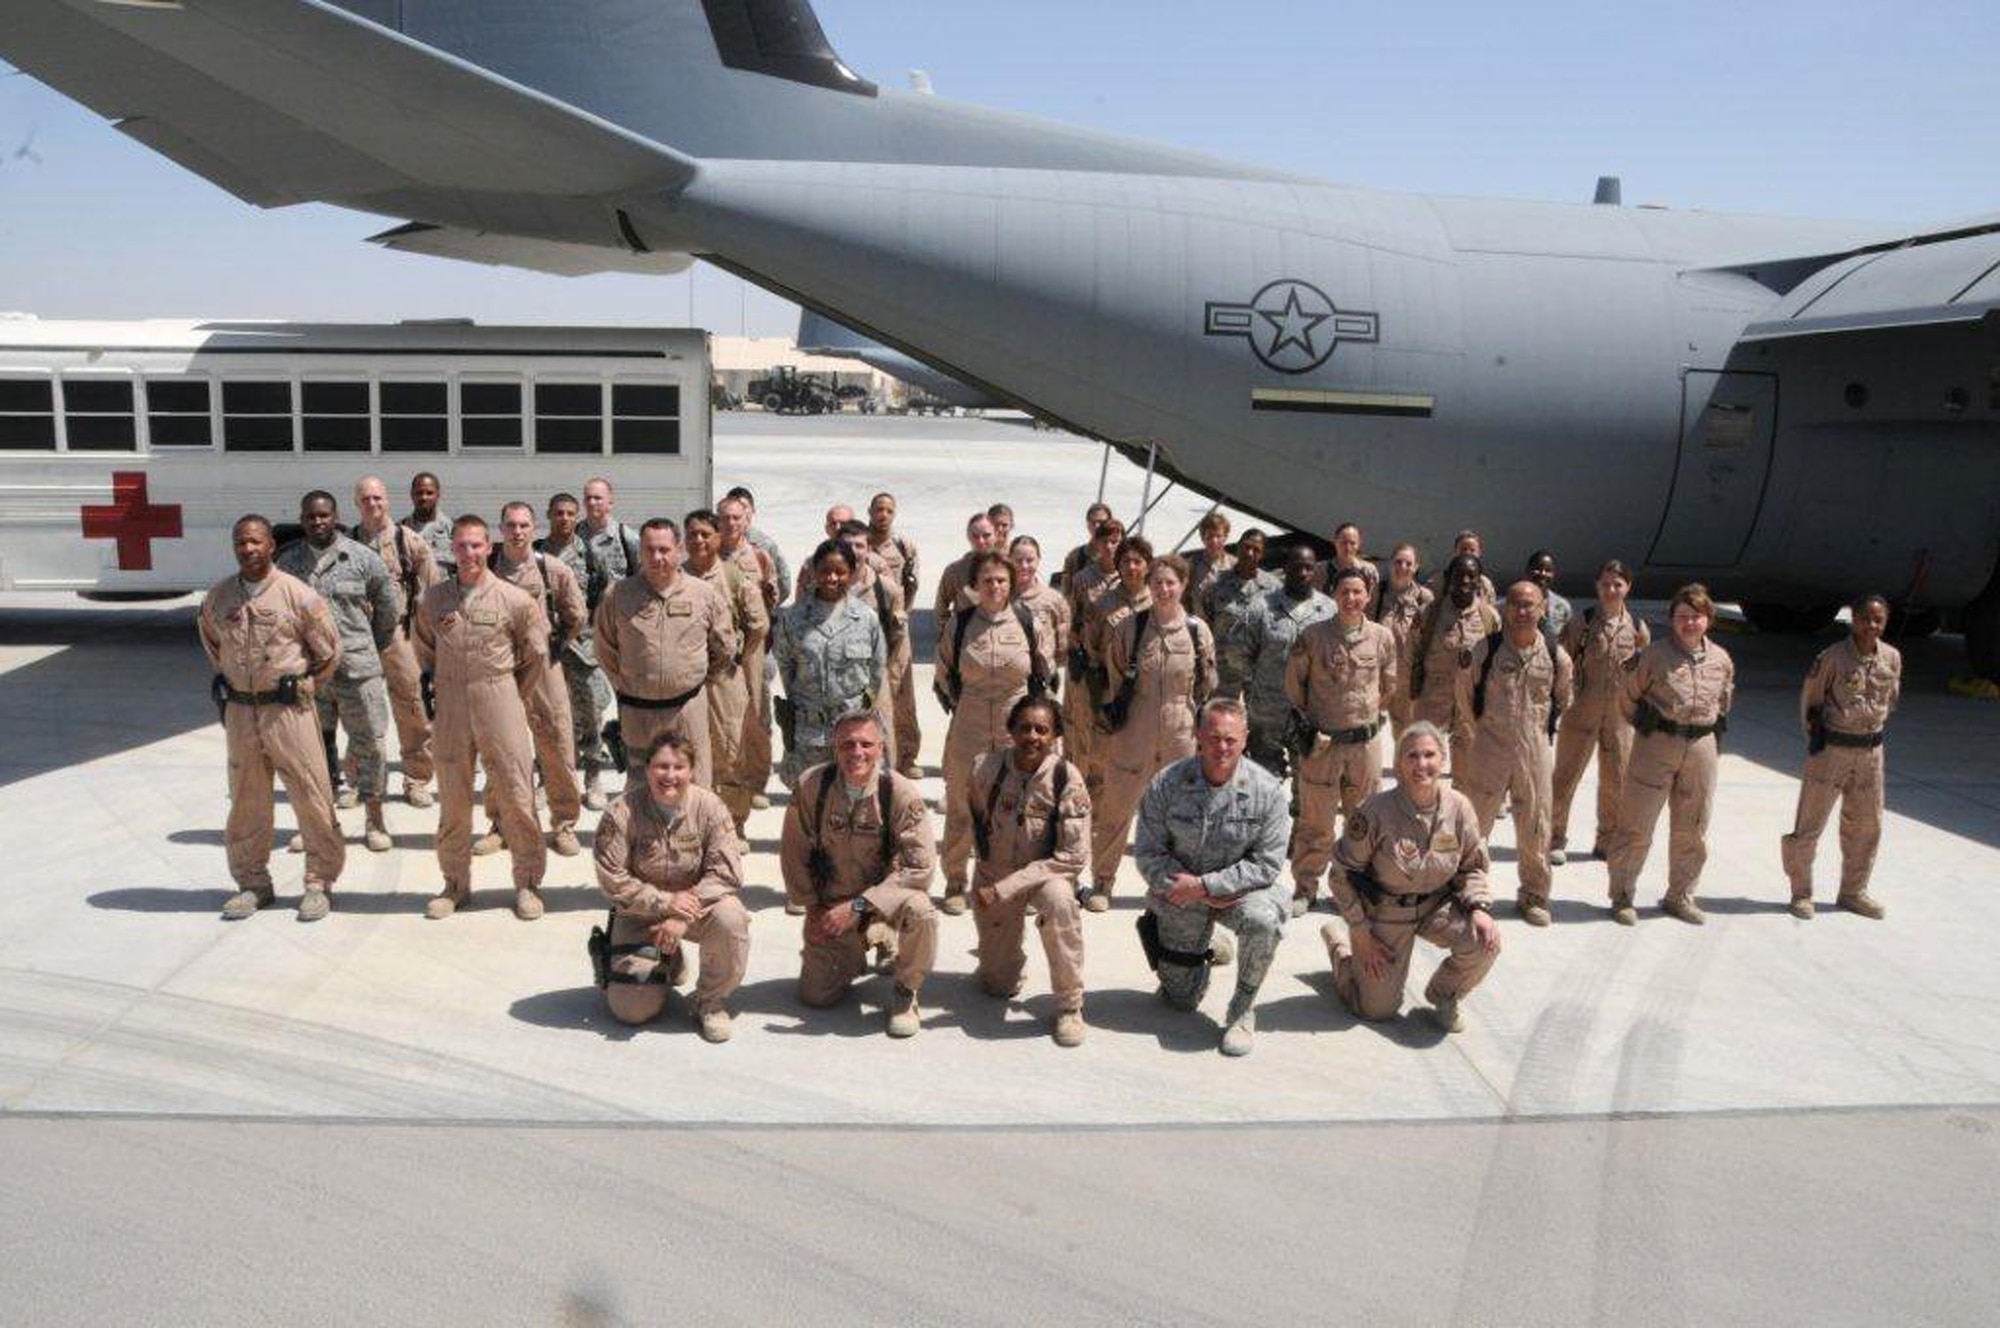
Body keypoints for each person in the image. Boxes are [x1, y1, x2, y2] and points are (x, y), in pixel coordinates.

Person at [200, 515, 344, 921]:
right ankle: (253, 883)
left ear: (271, 546)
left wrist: (305, 685)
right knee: (246, 800)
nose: (247, 549)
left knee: (311, 794)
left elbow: (329, 653)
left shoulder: (298, 596)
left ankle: (319, 882)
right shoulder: (220, 597)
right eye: (240, 542)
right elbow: (213, 643)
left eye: (255, 542)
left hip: (288, 712)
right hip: (242, 712)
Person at [1320, 723, 1501, 1032]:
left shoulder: (1459, 808)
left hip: (1437, 905)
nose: (1421, 765)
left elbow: (1472, 866)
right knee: (1375, 1010)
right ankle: (1341, 947)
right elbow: (1341, 875)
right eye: (1412, 756)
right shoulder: (1374, 812)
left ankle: (1446, 997)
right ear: (1399, 764)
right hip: (1386, 912)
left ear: (1442, 759)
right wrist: (1360, 932)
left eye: (1429, 755)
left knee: (1485, 941)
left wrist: (1479, 909)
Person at [412, 515, 549, 921]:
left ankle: (527, 883)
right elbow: (424, 648)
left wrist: (508, 692)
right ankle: (455, 884)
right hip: (452, 702)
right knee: (453, 798)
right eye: (461, 546)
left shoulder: (514, 599)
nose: (469, 553)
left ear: (489, 547)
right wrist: (449, 682)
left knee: (516, 793)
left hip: (500, 695)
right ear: (452, 550)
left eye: (476, 545)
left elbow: (536, 653)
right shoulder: (434, 600)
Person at [1135, 700, 1290, 1057]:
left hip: (1238, 895)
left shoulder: (1266, 791)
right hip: (1182, 895)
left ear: (1245, 739)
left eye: (1231, 740)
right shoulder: (1167, 784)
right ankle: (1210, 946)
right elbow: (1147, 854)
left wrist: (1207, 887)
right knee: (1180, 1000)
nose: (1222, 747)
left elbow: (1267, 864)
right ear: (1198, 736)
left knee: (1263, 920)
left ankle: (1242, 1010)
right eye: (1215, 737)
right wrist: (1193, 891)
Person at [779, 711, 938, 1037]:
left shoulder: (900, 793)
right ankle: (862, 946)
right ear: (835, 748)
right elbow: (794, 854)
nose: (856, 753)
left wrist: (860, 906)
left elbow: (919, 867)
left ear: (881, 748)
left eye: (866, 744)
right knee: (816, 997)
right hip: (833, 905)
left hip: (884, 902)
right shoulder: (812, 786)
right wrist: (811, 909)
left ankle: (906, 992)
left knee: (922, 911)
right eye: (847, 744)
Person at [591, 731, 751, 1042]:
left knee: (732, 917)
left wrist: (681, 914)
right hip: (640, 914)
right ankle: (667, 960)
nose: (670, 775)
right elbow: (612, 879)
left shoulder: (710, 808)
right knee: (631, 1010)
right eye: (662, 766)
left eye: (679, 767)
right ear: (648, 768)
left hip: (695, 908)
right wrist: (665, 903)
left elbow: (727, 873)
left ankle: (710, 1002)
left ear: (691, 771)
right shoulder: (621, 812)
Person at [1089, 554, 1215, 910]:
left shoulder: (1196, 630)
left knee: (1181, 814)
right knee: (1116, 807)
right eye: (1157, 582)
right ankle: (1102, 881)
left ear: (1183, 585)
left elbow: (1207, 681)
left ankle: (1173, 885)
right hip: (1135, 727)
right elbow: (1115, 675)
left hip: (1181, 730)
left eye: (1170, 582)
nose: (1163, 589)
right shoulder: (1131, 627)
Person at [275, 490, 399, 854]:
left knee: (372, 744)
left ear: (335, 517)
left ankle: (375, 818)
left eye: (324, 516)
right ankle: (319, 821)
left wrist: (367, 648)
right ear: (302, 520)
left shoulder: (362, 558)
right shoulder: (287, 563)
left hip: (358, 671)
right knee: (314, 749)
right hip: (311, 675)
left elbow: (387, 608)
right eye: (311, 517)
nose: (318, 522)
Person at [1605, 583, 1735, 926]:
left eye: (1696, 617)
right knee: (1637, 824)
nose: (1689, 623)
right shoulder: (1654, 656)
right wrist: (1649, 729)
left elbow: (1724, 702)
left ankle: (1680, 895)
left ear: (1708, 619)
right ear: (1672, 620)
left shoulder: (1721, 659)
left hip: (1701, 746)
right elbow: (1627, 697)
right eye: (1682, 617)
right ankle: (1622, 895)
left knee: (1693, 827)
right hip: (1657, 744)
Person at [966, 696, 1091, 1046]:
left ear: (1055, 736)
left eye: (1042, 729)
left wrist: (1007, 886)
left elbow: (1072, 857)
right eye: (1024, 728)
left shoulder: (1067, 778)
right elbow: (976, 818)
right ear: (1011, 731)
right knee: (996, 986)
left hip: (1046, 874)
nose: (1032, 736)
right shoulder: (985, 769)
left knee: (1062, 903)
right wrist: (982, 874)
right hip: (995, 873)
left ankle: (1069, 1006)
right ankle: (1003, 961)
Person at [934, 551, 1055, 911]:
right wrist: (965, 705)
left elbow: (1044, 672)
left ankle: (1017, 883)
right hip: (969, 722)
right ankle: (956, 882)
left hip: (1014, 726)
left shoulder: (1027, 621)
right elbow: (944, 673)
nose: (995, 586)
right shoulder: (961, 623)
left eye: (1001, 580)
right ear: (975, 584)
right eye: (987, 580)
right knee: (961, 803)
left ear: (1011, 583)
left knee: (1018, 806)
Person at [1452, 581, 1574, 926]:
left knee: (1536, 824)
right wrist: (1483, 730)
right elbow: (1464, 694)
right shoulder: (1485, 650)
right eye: (1516, 605)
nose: (1522, 611)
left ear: (1542, 610)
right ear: (1506, 609)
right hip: (1490, 747)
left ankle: (1534, 896)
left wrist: (1536, 731)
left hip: (1534, 749)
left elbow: (1563, 696)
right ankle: (1466, 891)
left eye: (1529, 605)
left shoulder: (1555, 654)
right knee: (1475, 826)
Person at [1285, 566, 1400, 916]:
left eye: (1358, 592)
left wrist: (1365, 718)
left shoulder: (1382, 637)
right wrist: (1312, 725)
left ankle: (1353, 888)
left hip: (1363, 746)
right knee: (1315, 821)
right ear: (1334, 595)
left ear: (1368, 596)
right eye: (1344, 592)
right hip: (1324, 745)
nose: (1351, 599)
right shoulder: (1313, 636)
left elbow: (1389, 686)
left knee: (1363, 822)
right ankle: (1306, 888)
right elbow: (1294, 685)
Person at [1780, 593, 1900, 920]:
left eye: (1878, 620)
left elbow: (1891, 700)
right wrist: (1819, 740)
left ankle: (1853, 892)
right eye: (1865, 618)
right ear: (1853, 619)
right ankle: (1801, 892)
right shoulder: (1832, 658)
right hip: (1832, 749)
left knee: (1866, 826)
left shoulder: (1892, 658)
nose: (1871, 625)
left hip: (1871, 753)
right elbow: (1811, 701)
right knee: (1809, 824)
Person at [594, 519, 737, 789]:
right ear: (641, 552)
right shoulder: (619, 595)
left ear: (679, 550)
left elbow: (724, 647)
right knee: (641, 788)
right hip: (638, 713)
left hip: (686, 709)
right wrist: (630, 683)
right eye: (649, 550)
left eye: (664, 550)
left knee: (694, 787)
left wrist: (693, 680)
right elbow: (604, 649)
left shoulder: (703, 594)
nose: (657, 557)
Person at [479, 502, 586, 859]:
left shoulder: (552, 569)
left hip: (543, 668)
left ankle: (565, 822)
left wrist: (553, 647)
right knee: (501, 749)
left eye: (524, 525)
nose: (518, 532)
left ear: (533, 527)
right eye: (511, 525)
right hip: (499, 669)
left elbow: (576, 615)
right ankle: (501, 824)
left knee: (556, 743)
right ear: (501, 529)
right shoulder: (486, 569)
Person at [1550, 560, 1649, 864]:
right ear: (1597, 586)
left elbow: (1642, 668)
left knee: (1616, 779)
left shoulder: (1637, 627)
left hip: (1619, 715)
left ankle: (1607, 839)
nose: (1611, 590)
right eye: (1605, 584)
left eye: (1617, 584)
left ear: (1627, 587)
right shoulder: (1583, 622)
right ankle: (1555, 837)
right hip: (1582, 709)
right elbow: (1563, 660)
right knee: (1565, 777)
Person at [773, 540, 889, 792]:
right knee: (808, 798)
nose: (832, 577)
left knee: (856, 795)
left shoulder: (866, 618)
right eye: (825, 570)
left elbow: (877, 670)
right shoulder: (792, 619)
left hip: (853, 730)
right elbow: (786, 668)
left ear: (852, 572)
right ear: (814, 571)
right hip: (809, 732)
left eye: (840, 571)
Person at [681, 509, 768, 836]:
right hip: (686, 681)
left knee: (731, 752)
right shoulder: (676, 577)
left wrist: (734, 658)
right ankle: (693, 822)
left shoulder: (734, 577)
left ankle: (734, 823)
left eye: (706, 533)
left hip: (724, 680)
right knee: (686, 752)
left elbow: (758, 625)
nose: (700, 540)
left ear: (719, 538)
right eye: (693, 534)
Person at [352, 476, 437, 807]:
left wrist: (431, 643)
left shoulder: (408, 541)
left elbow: (431, 593)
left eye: (377, 498)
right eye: (365, 499)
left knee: (412, 707)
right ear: (357, 504)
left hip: (400, 637)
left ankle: (416, 778)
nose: (372, 504)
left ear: (387, 499)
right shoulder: (347, 543)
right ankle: (363, 779)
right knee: (359, 708)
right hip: (359, 639)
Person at [538, 489, 618, 809]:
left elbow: (606, 595)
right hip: (546, 649)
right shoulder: (537, 553)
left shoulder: (590, 554)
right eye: (559, 513)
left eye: (571, 513)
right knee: (547, 716)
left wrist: (593, 628)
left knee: (589, 713)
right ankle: (548, 777)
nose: (565, 518)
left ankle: (593, 776)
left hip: (582, 647)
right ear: (549, 515)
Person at [1234, 545, 1335, 778]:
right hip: (1266, 715)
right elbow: (1242, 655)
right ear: (1286, 568)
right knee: (1262, 784)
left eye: (1309, 568)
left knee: (1308, 785)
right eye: (1297, 567)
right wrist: (1253, 694)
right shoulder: (1261, 606)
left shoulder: (1328, 610)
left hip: (1310, 716)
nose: (1303, 574)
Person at [1406, 554, 1499, 767]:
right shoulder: (1429, 613)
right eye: (1459, 574)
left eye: (1471, 575)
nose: (1465, 580)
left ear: (1479, 580)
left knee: (1468, 775)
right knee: (1423, 767)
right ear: (1449, 577)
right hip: (1432, 700)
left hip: (1470, 704)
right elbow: (1411, 652)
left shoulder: (1490, 618)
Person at [836, 519, 910, 774]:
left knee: (881, 735)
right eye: (847, 545)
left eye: (859, 545)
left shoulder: (886, 589)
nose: (854, 551)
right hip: (836, 678)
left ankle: (885, 787)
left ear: (868, 549)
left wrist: (884, 669)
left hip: (873, 678)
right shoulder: (827, 585)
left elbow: (897, 633)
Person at [717, 492, 779, 797]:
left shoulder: (760, 556)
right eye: (725, 517)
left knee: (756, 713)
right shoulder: (709, 556)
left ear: (746, 520)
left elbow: (774, 598)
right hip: (719, 649)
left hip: (753, 648)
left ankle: (756, 782)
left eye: (736, 517)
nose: (730, 523)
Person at [1061, 517, 1125, 790]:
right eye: (1106, 541)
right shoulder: (1083, 580)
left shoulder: (1130, 578)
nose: (1111, 547)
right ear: (1097, 543)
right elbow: (1070, 619)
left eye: (1116, 541)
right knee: (1081, 732)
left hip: (1121, 671)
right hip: (1089, 669)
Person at [867, 491, 924, 777]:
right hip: (867, 625)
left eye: (889, 510)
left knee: (902, 690)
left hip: (897, 627)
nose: (883, 515)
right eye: (879, 509)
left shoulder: (903, 546)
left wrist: (903, 615)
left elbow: (912, 584)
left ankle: (907, 754)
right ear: (870, 511)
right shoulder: (861, 544)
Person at [1206, 528, 1276, 699]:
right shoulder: (1216, 584)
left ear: (1263, 555)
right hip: (1224, 677)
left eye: (1256, 550)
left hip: (1259, 676)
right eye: (1246, 547)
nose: (1250, 553)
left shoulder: (1274, 588)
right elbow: (1205, 624)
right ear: (1237, 548)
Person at [1374, 542, 1434, 739]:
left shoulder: (1424, 598)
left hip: (1406, 678)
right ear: (1391, 563)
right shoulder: (1377, 593)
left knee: (1405, 732)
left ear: (1416, 567)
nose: (1403, 567)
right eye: (1398, 562)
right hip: (1375, 675)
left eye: (1408, 563)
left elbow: (1430, 639)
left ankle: (1403, 770)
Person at [1009, 535, 1073, 678]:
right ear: (1009, 560)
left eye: (1030, 560)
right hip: (1006, 684)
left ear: (1038, 560)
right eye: (1018, 560)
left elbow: (1062, 647)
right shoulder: (999, 599)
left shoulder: (1054, 600)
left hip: (1041, 682)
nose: (1024, 566)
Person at [723, 484, 791, 612]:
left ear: (753, 510)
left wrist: (767, 609)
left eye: (744, 507)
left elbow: (784, 583)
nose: (739, 512)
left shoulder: (765, 545)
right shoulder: (716, 543)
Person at [934, 510, 1000, 622]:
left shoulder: (1010, 568)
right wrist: (951, 633)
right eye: (975, 536)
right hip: (968, 637)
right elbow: (940, 609)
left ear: (996, 535)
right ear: (968, 537)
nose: (981, 541)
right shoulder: (955, 571)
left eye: (986, 535)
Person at [402, 471, 453, 576]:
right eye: (419, 493)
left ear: (438, 495)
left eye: (429, 493)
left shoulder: (454, 529)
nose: (424, 497)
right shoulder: (400, 531)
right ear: (412, 495)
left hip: (445, 591)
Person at [1183, 512, 1232, 622]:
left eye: (1218, 536)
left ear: (1226, 537)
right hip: (1199, 626)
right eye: (1209, 536)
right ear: (1202, 538)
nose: (1214, 541)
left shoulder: (1234, 565)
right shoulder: (1192, 565)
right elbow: (1184, 598)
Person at [1325, 522, 1381, 613]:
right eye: (1344, 543)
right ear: (1335, 542)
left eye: (1352, 543)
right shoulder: (1320, 570)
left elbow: (1372, 606)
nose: (1348, 548)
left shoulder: (1369, 571)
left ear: (1359, 544)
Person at [1057, 501, 1114, 589]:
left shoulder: (1122, 555)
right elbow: (1066, 590)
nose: (1097, 526)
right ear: (1087, 525)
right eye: (1093, 522)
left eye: (1102, 522)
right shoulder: (1076, 557)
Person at [1526, 549, 1572, 642]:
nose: (1543, 573)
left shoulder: (1562, 607)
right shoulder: (1513, 602)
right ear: (1527, 570)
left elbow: (1567, 641)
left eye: (1548, 570)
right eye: (1538, 568)